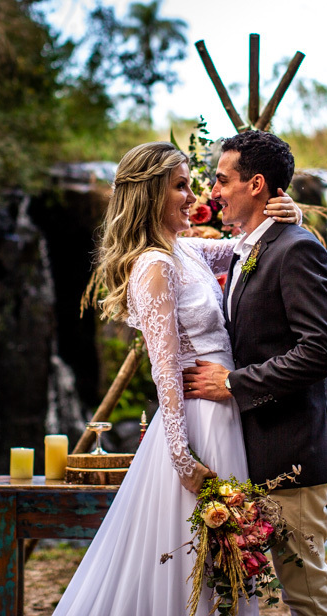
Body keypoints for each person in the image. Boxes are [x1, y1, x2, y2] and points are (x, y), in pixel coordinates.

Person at [51, 141, 301, 616]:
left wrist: (287, 217)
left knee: (224, 558)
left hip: (225, 411)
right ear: (148, 195)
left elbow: (250, 250)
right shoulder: (153, 265)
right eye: (181, 187)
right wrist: (182, 457)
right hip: (199, 423)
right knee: (190, 559)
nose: (194, 196)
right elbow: (164, 370)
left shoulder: (186, 251)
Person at [183, 129, 327, 616]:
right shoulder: (246, 248)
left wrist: (234, 384)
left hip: (292, 452)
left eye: (221, 180)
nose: (212, 192)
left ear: (256, 185)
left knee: (306, 595)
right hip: (249, 452)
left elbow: (323, 349)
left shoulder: (295, 248)